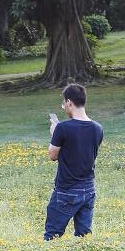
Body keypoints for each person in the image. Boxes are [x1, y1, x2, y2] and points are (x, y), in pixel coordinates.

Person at [45, 83, 104, 239]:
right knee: (84, 235)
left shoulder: (62, 128)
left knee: (52, 234)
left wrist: (54, 133)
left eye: (64, 103)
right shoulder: (98, 128)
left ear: (69, 102)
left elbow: (53, 155)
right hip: (89, 188)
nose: (64, 107)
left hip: (67, 189)